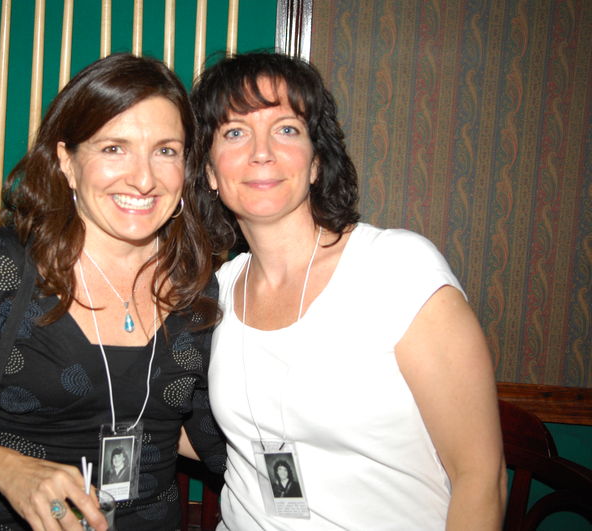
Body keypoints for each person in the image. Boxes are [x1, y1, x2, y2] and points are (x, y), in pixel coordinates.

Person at [0, 53, 225, 531]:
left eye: (166, 151)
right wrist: (11, 472)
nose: (144, 178)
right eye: (114, 148)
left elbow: (205, 432)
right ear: (67, 161)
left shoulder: (197, 285)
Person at [189, 52, 507, 530]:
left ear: (316, 163)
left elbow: (480, 478)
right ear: (211, 172)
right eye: (235, 133)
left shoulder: (397, 269)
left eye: (286, 129)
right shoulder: (217, 292)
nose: (262, 152)